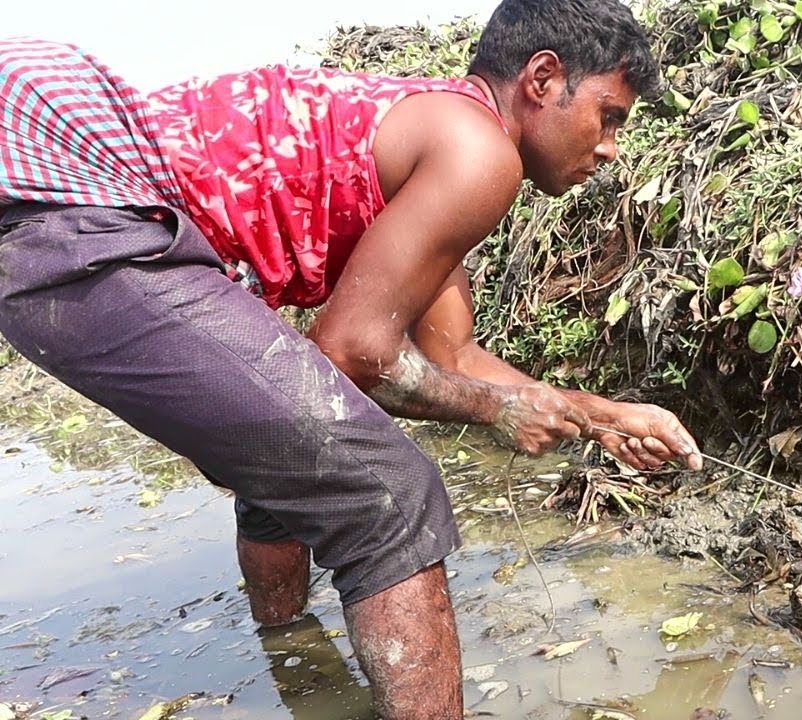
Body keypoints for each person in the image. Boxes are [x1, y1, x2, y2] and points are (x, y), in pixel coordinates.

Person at [0, 1, 703, 717]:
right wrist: (499, 410)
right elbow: (354, 351)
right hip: (85, 201)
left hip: (77, 211)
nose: (612, 146)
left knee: (293, 455)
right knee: (387, 494)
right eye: (609, 115)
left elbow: (450, 353)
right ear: (544, 79)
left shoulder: (436, 137)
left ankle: (293, 660)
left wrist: (597, 416)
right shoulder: (477, 154)